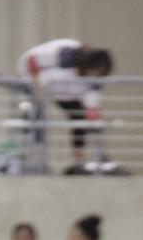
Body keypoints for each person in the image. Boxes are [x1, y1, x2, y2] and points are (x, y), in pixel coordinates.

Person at [16, 38, 113, 168]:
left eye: (99, 73)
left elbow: (92, 102)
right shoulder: (65, 55)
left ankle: (78, 157)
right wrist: (35, 87)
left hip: (62, 88)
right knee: (35, 115)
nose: (96, 75)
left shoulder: (94, 80)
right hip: (36, 77)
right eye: (95, 71)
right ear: (87, 65)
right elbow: (32, 60)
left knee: (79, 117)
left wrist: (93, 113)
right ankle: (37, 155)